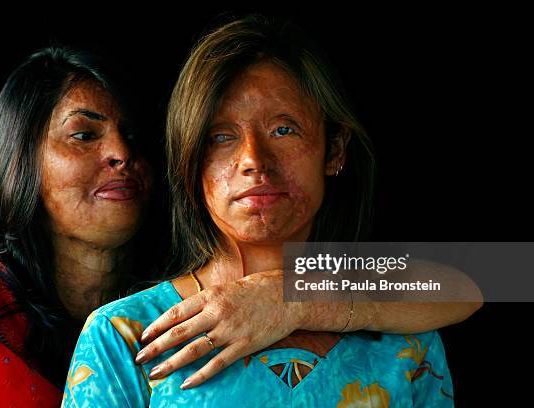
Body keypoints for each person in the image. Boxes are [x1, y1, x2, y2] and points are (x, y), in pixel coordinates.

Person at [62, 16, 462, 407]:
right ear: (191, 162)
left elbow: (503, 273)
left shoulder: (406, 335)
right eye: (221, 137)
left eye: (283, 129)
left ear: (335, 149)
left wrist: (289, 294)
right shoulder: (126, 335)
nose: (253, 159)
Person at [0, 46, 159, 406]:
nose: (122, 152)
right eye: (84, 134)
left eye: (132, 134)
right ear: (20, 159)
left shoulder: (183, 295)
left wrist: (275, 297)